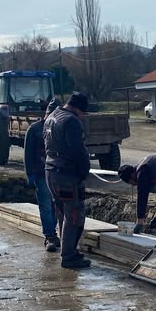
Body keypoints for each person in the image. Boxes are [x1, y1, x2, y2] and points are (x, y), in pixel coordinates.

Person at [44, 91, 91, 268]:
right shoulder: (71, 121)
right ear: (78, 109)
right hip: (66, 174)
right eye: (83, 113)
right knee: (74, 215)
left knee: (62, 212)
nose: (83, 116)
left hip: (50, 171)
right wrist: (83, 173)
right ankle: (69, 255)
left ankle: (67, 250)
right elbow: (78, 151)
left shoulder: (52, 116)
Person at [24, 98, 61, 252]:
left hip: (57, 174)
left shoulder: (59, 129)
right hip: (41, 173)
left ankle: (55, 232)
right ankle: (50, 236)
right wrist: (30, 174)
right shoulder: (34, 129)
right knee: (46, 206)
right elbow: (28, 153)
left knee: (56, 206)